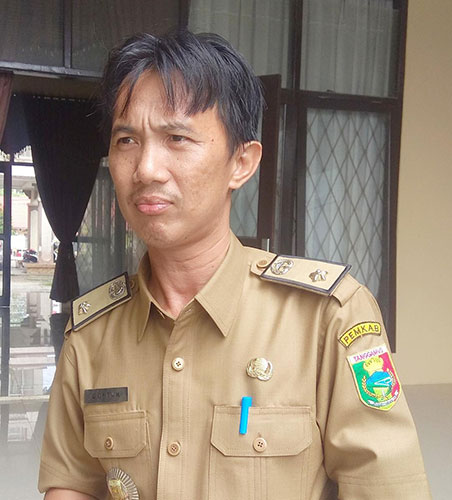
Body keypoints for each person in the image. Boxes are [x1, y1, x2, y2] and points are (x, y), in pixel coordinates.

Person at [38, 30, 431, 500]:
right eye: (127, 140)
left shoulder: (329, 319)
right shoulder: (91, 335)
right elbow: (72, 484)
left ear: (241, 162)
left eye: (177, 137)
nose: (145, 168)